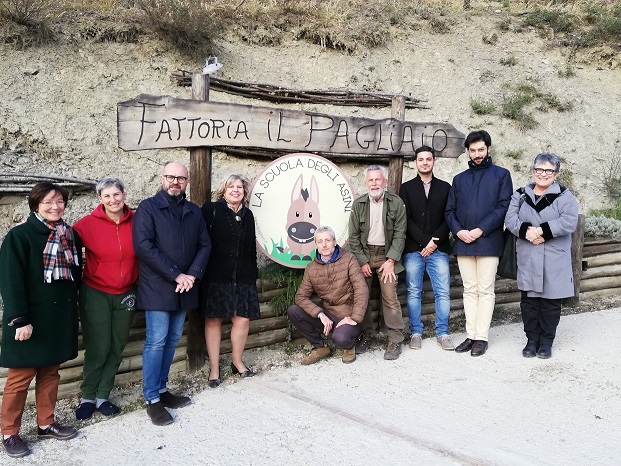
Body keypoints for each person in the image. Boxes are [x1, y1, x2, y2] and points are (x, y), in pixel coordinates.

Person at [0, 183, 81, 458]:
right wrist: (19, 319)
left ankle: (46, 423)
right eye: (48, 202)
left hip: (58, 318)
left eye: (59, 201)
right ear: (36, 205)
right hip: (29, 320)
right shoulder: (19, 236)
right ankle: (9, 432)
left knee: (50, 374)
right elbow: (10, 282)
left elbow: (75, 277)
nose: (55, 206)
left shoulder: (68, 235)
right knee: (19, 378)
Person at [133, 162, 211, 426]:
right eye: (170, 177)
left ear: (187, 182)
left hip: (185, 286)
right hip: (158, 286)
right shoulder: (148, 208)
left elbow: (205, 244)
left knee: (173, 338)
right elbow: (144, 246)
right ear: (162, 178)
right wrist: (176, 274)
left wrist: (192, 275)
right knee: (156, 341)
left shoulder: (193, 211)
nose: (175, 181)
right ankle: (152, 399)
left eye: (180, 178)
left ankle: (163, 390)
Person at [72, 177, 138, 420]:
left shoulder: (138, 221)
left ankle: (103, 396)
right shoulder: (86, 225)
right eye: (107, 196)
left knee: (117, 345)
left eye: (116, 194)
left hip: (127, 292)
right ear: (100, 199)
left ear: (124, 195)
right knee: (98, 346)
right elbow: (64, 245)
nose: (113, 200)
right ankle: (88, 396)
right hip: (96, 291)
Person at [445, 130, 513, 357]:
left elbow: (503, 207)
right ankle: (470, 334)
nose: (477, 154)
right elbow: (450, 211)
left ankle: (481, 337)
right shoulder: (459, 179)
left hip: (489, 241)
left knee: (485, 290)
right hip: (464, 242)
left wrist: (479, 229)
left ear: (489, 149)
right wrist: (459, 231)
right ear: (467, 151)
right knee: (469, 290)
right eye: (472, 150)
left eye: (481, 150)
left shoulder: (501, 175)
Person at [504, 153, 579, 359]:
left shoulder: (565, 197)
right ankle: (531, 340)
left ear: (555, 174)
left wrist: (541, 231)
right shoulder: (520, 194)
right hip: (528, 255)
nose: (543, 174)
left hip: (553, 258)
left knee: (550, 303)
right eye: (539, 169)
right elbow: (510, 219)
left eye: (548, 170)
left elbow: (569, 221)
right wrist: (527, 231)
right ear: (533, 170)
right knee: (529, 302)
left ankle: (546, 342)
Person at [200, 174, 259, 388]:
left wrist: (252, 274)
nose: (236, 190)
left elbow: (251, 247)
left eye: (240, 187)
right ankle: (214, 368)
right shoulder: (211, 210)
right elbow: (201, 242)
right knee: (214, 320)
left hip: (243, 276)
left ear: (244, 192)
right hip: (216, 276)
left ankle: (237, 361)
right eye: (231, 186)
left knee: (242, 319)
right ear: (223, 190)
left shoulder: (248, 214)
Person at [349, 165, 406, 360]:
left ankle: (395, 339)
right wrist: (363, 261)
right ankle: (367, 334)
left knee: (389, 296)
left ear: (385, 182)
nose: (374, 183)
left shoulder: (396, 203)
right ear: (366, 183)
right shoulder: (359, 205)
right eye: (371, 180)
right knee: (361, 295)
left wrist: (391, 260)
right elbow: (353, 236)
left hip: (386, 254)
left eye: (378, 180)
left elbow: (400, 234)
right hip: (364, 253)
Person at [399, 146, 454, 351]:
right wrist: (424, 242)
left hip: (437, 249)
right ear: (415, 162)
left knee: (443, 292)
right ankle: (416, 332)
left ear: (434, 162)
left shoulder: (445, 187)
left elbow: (449, 217)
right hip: (414, 249)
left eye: (428, 159)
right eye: (420, 159)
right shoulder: (406, 188)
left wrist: (434, 242)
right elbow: (406, 220)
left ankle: (443, 332)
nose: (424, 162)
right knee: (414, 291)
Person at [288, 226, 368, 365]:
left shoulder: (349, 259)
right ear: (316, 244)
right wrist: (320, 314)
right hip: (328, 314)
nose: (324, 245)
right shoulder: (312, 268)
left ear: (334, 242)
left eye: (327, 240)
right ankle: (320, 347)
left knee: (341, 339)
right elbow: (300, 296)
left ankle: (350, 345)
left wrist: (355, 318)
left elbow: (361, 288)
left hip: (348, 315)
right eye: (320, 241)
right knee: (294, 311)